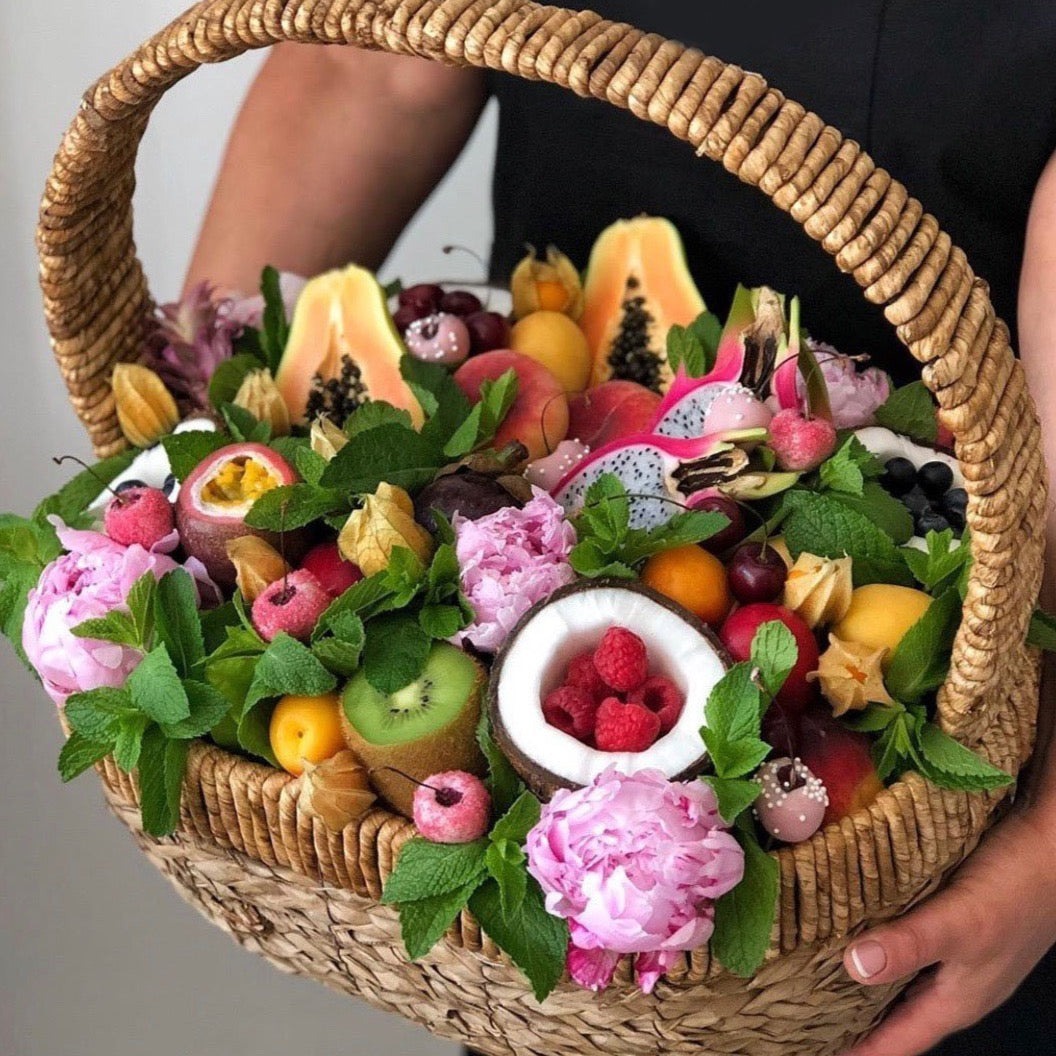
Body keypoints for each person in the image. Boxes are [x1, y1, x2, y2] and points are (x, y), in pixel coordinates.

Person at [186, 4, 1056, 1054]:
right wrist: (190, 469)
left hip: (961, 643)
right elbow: (361, 66)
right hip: (525, 469)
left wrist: (1051, 833)